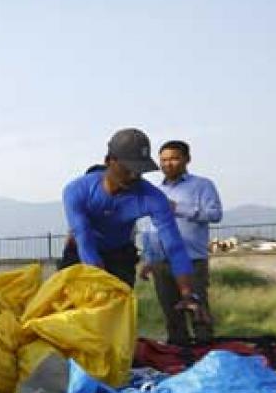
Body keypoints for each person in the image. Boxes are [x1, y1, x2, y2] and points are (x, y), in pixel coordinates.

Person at [58, 128, 197, 305]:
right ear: (109, 161)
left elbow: (174, 246)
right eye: (128, 168)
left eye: (140, 170)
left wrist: (188, 294)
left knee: (117, 309)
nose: (133, 175)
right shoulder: (77, 191)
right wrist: (99, 283)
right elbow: (84, 239)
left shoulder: (153, 198)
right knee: (69, 307)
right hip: (81, 253)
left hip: (119, 256)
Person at [139, 140, 222, 345]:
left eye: (174, 159)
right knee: (172, 315)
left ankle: (205, 356)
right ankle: (177, 359)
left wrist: (179, 209)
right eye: (164, 160)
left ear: (187, 159)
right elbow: (151, 227)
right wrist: (148, 258)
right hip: (162, 262)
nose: (168, 164)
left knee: (198, 311)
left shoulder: (202, 185)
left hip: (192, 261)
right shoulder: (155, 191)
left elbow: (215, 214)